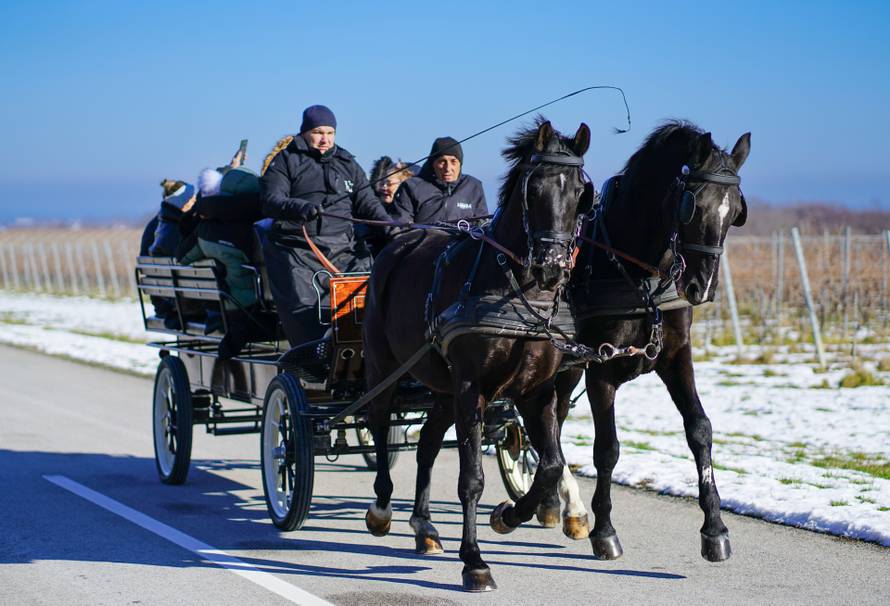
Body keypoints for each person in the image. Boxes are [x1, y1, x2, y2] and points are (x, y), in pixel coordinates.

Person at [260, 104, 392, 346]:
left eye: (330, 133)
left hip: (345, 247)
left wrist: (390, 226)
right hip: (298, 248)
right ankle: (313, 355)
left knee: (371, 296)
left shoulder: (347, 162)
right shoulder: (286, 160)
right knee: (309, 308)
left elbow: (368, 203)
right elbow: (271, 200)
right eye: (319, 132)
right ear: (305, 132)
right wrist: (298, 207)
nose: (325, 139)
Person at [179, 166, 265, 358]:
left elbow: (183, 258)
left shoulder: (206, 227)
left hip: (223, 304)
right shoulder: (257, 226)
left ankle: (216, 319)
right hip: (253, 307)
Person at [391, 136, 487, 224]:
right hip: (425, 241)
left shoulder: (474, 186)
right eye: (442, 161)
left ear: (460, 163)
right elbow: (401, 228)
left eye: (453, 162)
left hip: (464, 241)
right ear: (432, 163)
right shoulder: (411, 187)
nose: (448, 168)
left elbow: (482, 224)